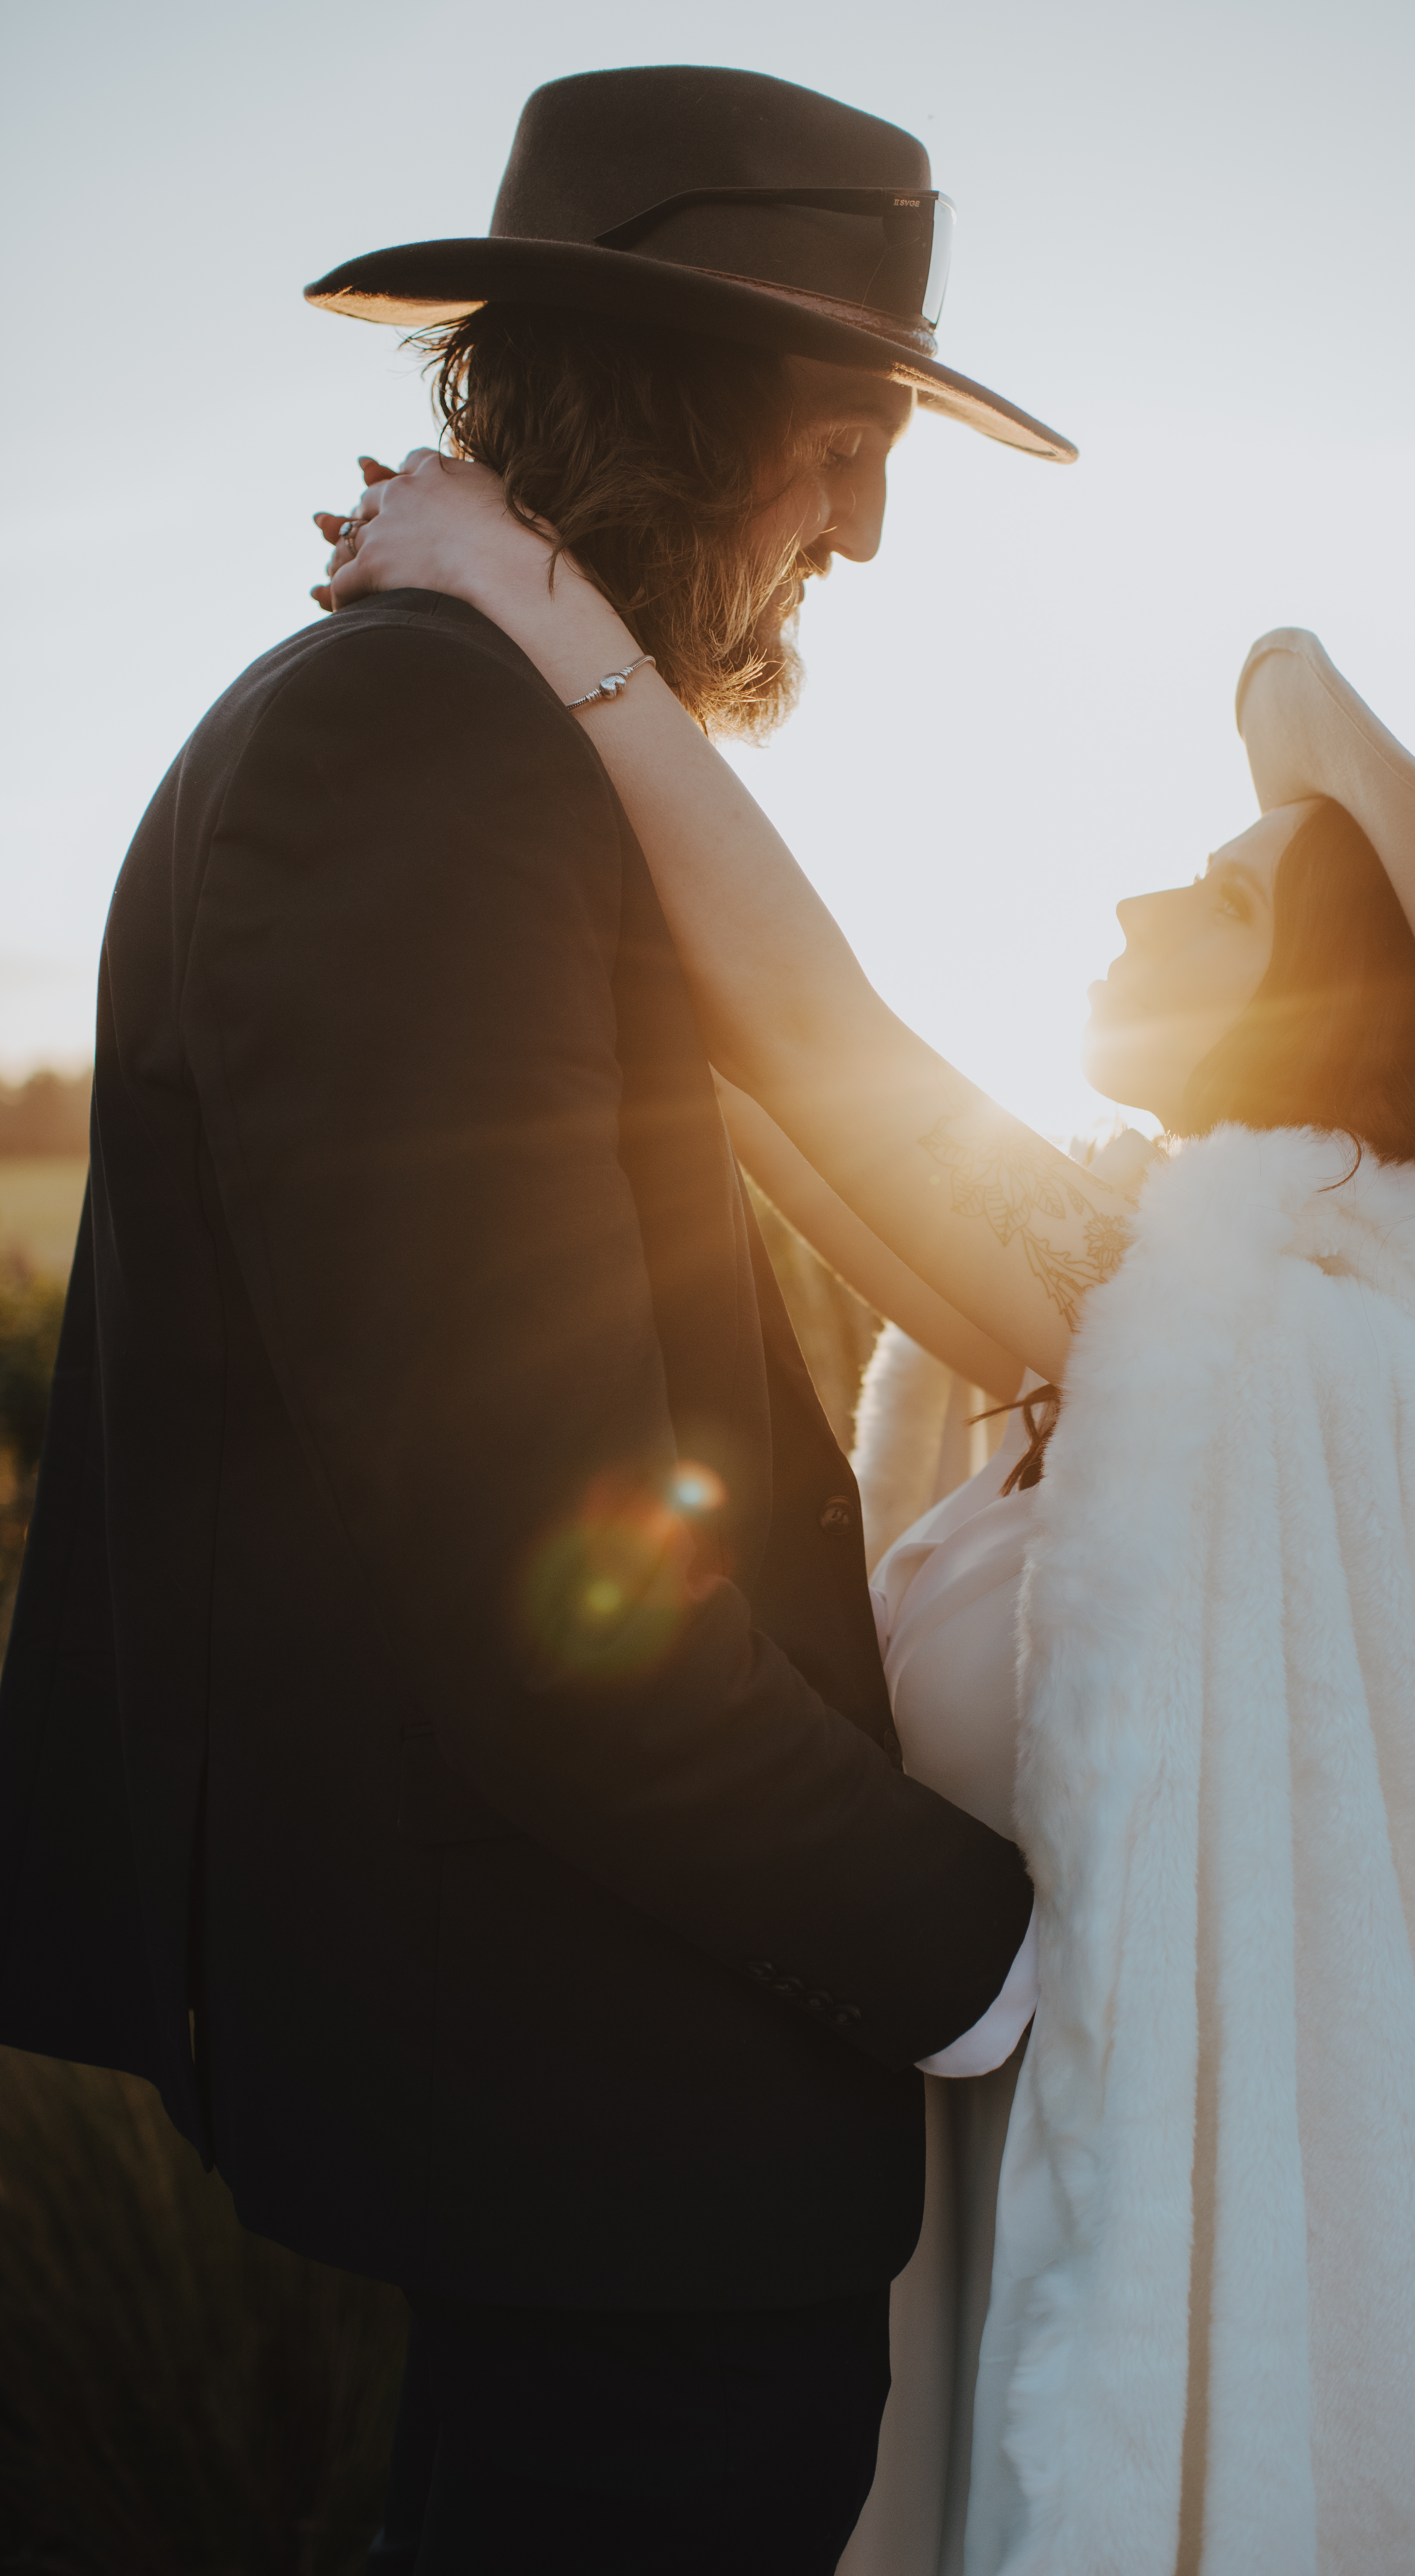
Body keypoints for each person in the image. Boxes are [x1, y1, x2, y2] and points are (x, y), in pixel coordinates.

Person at [325, 452, 1415, 2573]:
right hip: (954, 2272)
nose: (1140, 907)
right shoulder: (1153, 1338)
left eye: (1222, 901)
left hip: (1066, 2310)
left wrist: (533, 592)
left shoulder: (1290, 1352)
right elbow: (760, 1084)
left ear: (1340, 1017)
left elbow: (811, 1031)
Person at [0, 68, 1105, 2576]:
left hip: (602, 2081)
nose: (869, 525)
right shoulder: (408, 754)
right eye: (846, 438)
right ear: (694, 405)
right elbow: (544, 1575)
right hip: (602, 2104)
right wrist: (995, 1961)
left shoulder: (488, 743)